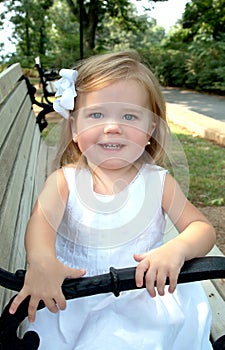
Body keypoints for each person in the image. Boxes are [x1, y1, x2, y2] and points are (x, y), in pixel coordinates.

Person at [9, 51, 216, 349]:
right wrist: (42, 260)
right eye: (97, 114)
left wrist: (177, 249)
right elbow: (40, 221)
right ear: (76, 128)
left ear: (149, 131)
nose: (112, 126)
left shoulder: (157, 182)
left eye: (129, 116)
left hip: (142, 299)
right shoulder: (65, 180)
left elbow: (201, 227)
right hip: (76, 297)